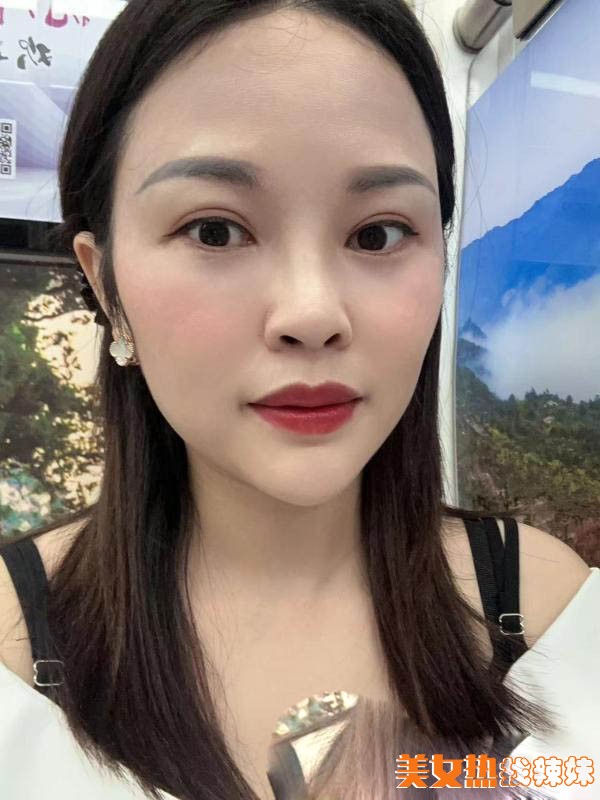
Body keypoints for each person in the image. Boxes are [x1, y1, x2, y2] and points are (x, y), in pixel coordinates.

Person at [0, 1, 597, 799]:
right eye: (214, 231)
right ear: (106, 284)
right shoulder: (11, 647)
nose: (312, 314)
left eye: (378, 233)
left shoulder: (548, 609)